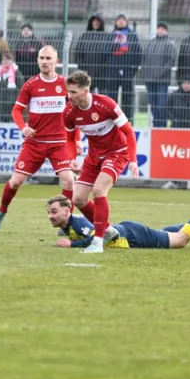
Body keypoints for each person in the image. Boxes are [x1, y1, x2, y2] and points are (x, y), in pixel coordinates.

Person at [0, 45, 76, 231]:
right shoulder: (30, 85)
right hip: (34, 142)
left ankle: (66, 223)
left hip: (58, 143)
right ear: (38, 60)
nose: (44, 62)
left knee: (69, 180)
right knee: (15, 182)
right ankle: (1, 211)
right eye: (41, 58)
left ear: (56, 61)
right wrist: (23, 127)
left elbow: (74, 114)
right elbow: (16, 110)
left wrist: (75, 141)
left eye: (48, 58)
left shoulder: (65, 85)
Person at [63, 70, 139, 254]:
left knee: (98, 190)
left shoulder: (105, 104)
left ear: (85, 90)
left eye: (73, 92)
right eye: (68, 91)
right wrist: (73, 158)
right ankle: (109, 231)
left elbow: (129, 132)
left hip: (117, 153)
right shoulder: (69, 111)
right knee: (78, 199)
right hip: (94, 156)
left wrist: (133, 161)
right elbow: (70, 139)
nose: (69, 96)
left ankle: (98, 242)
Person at [46, 196, 190, 249]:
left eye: (54, 212)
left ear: (67, 211)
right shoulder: (67, 227)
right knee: (163, 233)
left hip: (132, 236)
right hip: (130, 232)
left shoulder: (79, 224)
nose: (50, 216)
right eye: (49, 213)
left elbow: (99, 238)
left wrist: (73, 244)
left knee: (180, 241)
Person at [104, 13, 142, 120]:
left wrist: (133, 69)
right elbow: (104, 52)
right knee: (111, 95)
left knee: (128, 96)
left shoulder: (132, 35)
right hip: (113, 69)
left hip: (127, 70)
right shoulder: (111, 35)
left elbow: (137, 53)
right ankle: (112, 117)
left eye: (123, 19)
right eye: (118, 19)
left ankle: (128, 119)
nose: (121, 21)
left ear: (126, 21)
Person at [142, 22, 176, 128]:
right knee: (153, 104)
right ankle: (156, 125)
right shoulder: (151, 43)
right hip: (150, 80)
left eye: (163, 29)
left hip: (162, 81)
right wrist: (145, 74)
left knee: (161, 105)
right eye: (159, 28)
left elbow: (171, 61)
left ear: (166, 31)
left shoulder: (170, 44)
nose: (160, 30)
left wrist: (159, 73)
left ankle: (162, 125)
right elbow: (145, 60)